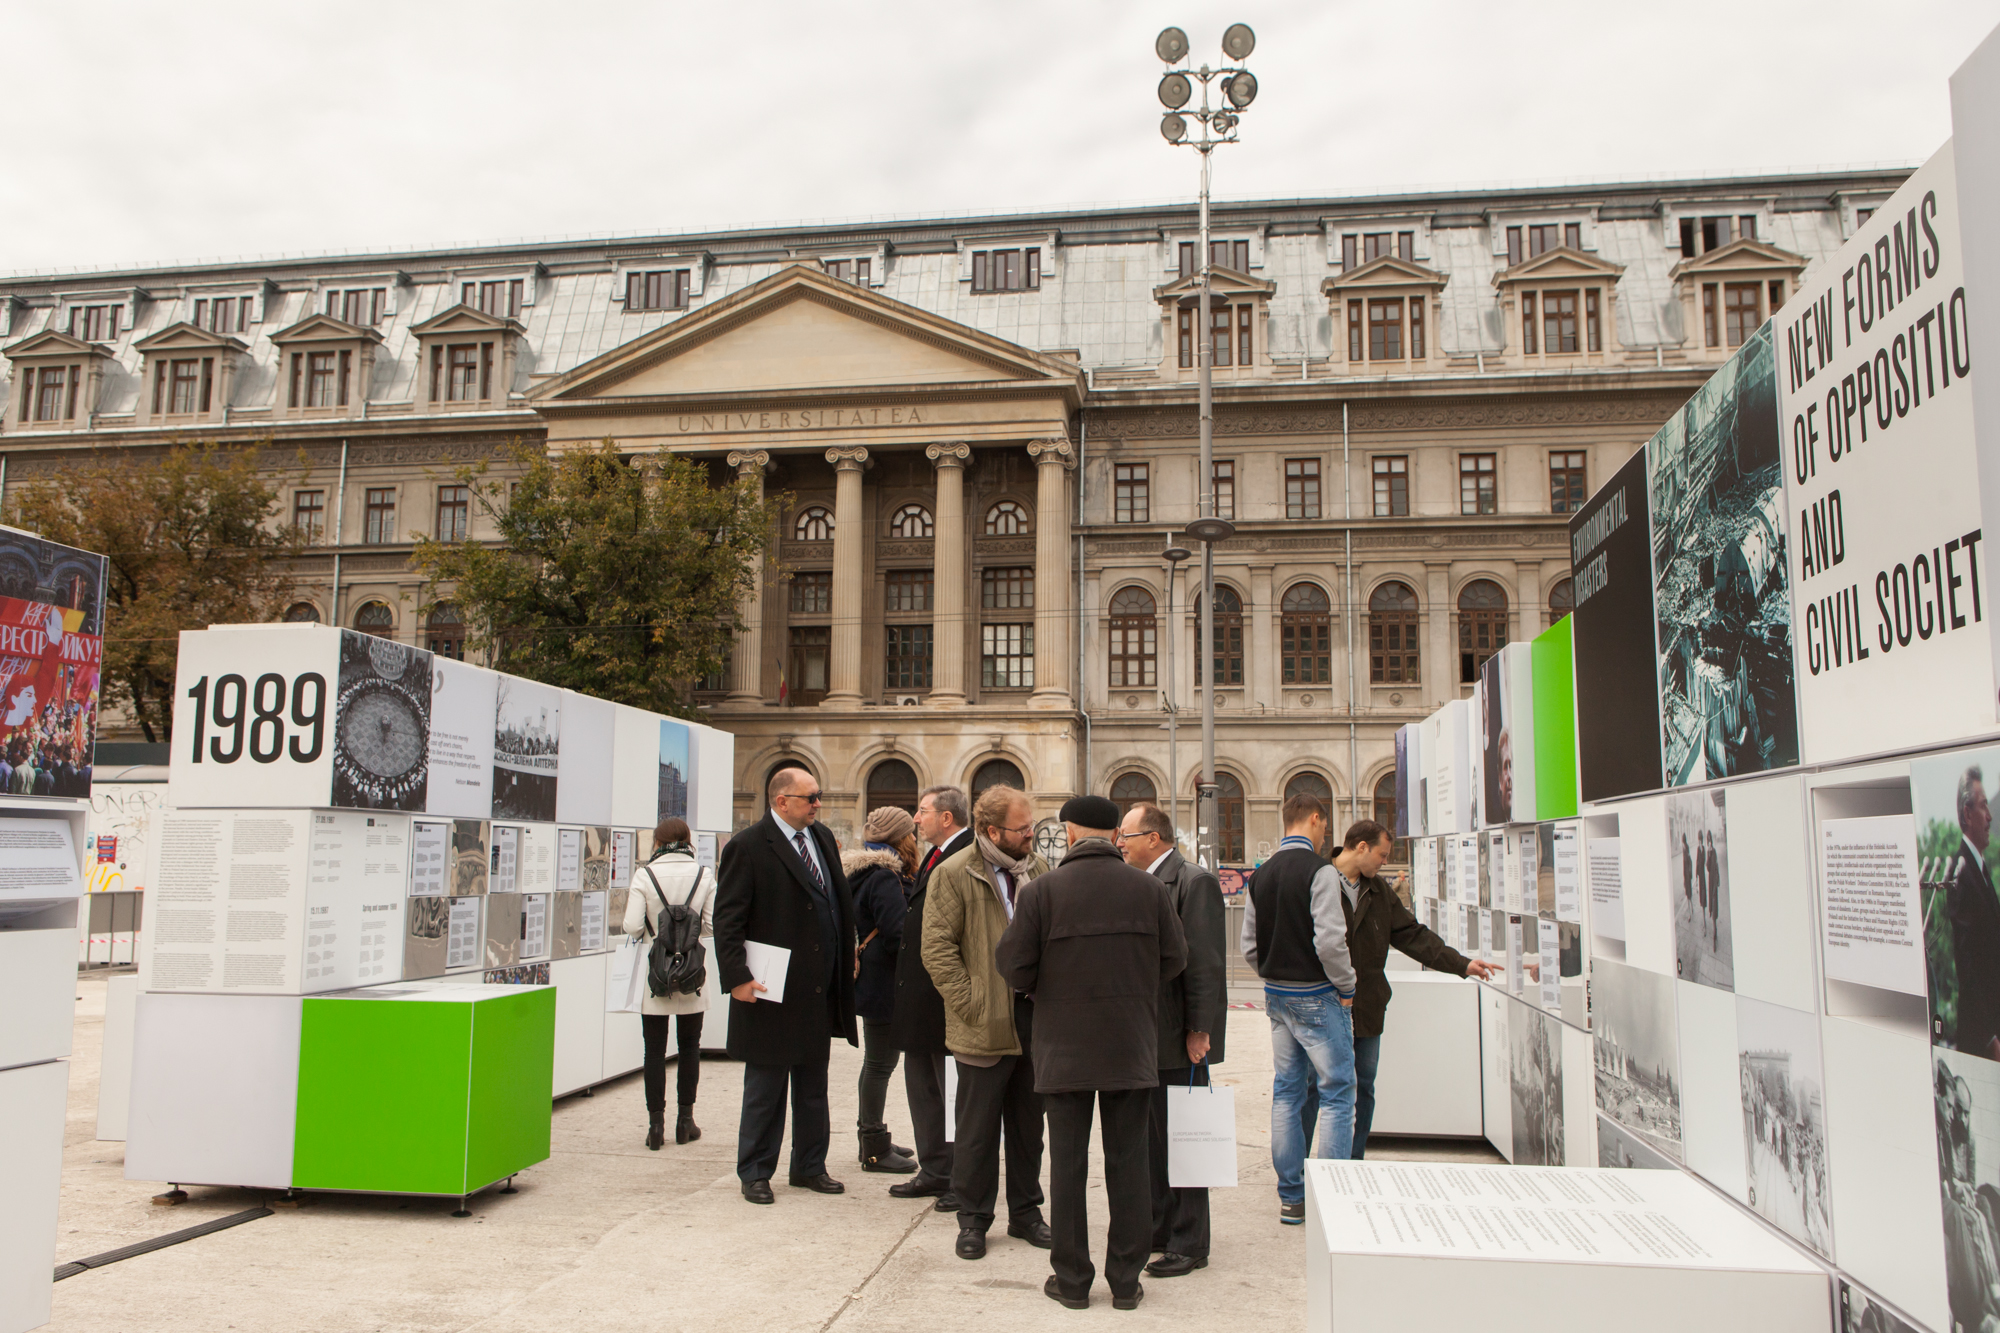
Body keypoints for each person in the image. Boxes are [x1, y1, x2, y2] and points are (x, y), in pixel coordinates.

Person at [997, 795, 1186, 1312]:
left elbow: (1013, 967)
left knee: (1068, 1165)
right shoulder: (1149, 889)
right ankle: (1126, 1282)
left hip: (1063, 1047)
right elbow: (1174, 959)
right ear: (1114, 835)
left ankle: (1073, 1281)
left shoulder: (1043, 892)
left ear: (1072, 833)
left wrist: (1047, 990)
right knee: (1129, 1164)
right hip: (1130, 1045)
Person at [713, 767, 859, 1205]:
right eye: (810, 797)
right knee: (767, 1086)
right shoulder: (748, 846)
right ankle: (756, 1171)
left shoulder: (823, 839)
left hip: (817, 988)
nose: (818, 804)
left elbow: (834, 902)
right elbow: (728, 919)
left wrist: (847, 949)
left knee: (813, 1084)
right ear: (782, 802)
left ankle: (810, 1166)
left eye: (818, 795)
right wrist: (736, 977)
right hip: (769, 989)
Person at [920, 783, 1053, 1260]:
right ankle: (973, 1220)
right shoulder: (955, 872)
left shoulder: (1038, 870)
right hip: (982, 1021)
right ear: (992, 830)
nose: (1030, 834)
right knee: (976, 1130)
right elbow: (936, 949)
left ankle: (1026, 1214)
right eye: (1022, 828)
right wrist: (972, 1003)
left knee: (1027, 1126)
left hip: (1034, 1019)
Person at [1331, 818, 1497, 1159]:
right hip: (1325, 1007)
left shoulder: (1379, 892)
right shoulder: (1319, 882)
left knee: (1364, 1088)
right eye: (1381, 854)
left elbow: (1412, 935)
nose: (1384, 862)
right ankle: (1305, 1174)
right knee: (1314, 1090)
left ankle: (1353, 1162)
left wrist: (1462, 964)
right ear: (1361, 847)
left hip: (1367, 1007)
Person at [1114, 801, 1225, 1280]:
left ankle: (1189, 1240)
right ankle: (1160, 1227)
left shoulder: (1192, 882)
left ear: (1153, 839)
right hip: (1147, 1031)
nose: (1120, 843)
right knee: (1153, 1138)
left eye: (1127, 835)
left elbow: (1204, 963)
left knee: (1183, 1138)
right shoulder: (1141, 881)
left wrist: (1200, 1029)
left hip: (1179, 1034)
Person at [1239, 792, 1356, 1226]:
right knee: (1338, 1091)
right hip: (1318, 993)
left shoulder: (1261, 874)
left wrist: (1272, 972)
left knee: (1287, 1091)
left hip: (1277, 994)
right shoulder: (1321, 872)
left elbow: (1248, 946)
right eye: (1325, 824)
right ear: (1314, 818)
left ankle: (1292, 1196)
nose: (1327, 832)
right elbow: (1329, 941)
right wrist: (1347, 985)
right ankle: (1332, 1197)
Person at [891, 784, 973, 1205]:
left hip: (947, 998)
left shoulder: (966, 855)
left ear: (946, 817)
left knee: (950, 1091)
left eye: (922, 811)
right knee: (923, 1085)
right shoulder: (937, 855)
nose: (915, 819)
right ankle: (936, 1168)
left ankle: (960, 1175)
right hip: (922, 996)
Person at [622, 815, 714, 1150]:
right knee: (690, 1046)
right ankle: (685, 1122)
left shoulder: (644, 874)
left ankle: (655, 1127)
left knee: (654, 1050)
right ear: (687, 840)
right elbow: (711, 925)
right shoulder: (703, 874)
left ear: (658, 843)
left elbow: (631, 926)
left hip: (655, 971)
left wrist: (654, 931)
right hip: (691, 970)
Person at [843, 805, 919, 1175]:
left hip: (874, 982)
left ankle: (873, 1137)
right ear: (901, 839)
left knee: (879, 1063)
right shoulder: (886, 877)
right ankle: (872, 1144)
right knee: (879, 1064)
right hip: (886, 983)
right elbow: (897, 934)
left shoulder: (863, 872)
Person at [1949, 766, 2000, 1060]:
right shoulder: (1961, 873)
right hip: (1982, 1042)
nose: (1990, 816)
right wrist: (1989, 1037)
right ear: (1967, 815)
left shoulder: (1980, 869)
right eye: (1984, 807)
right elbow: (1967, 966)